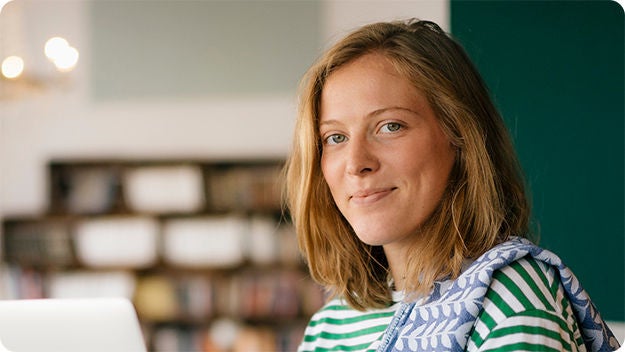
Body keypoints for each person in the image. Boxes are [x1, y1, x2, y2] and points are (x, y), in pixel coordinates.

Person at [284, 19, 620, 352]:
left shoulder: (511, 300)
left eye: (390, 126)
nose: (357, 163)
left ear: (459, 137)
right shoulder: (328, 329)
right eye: (336, 137)